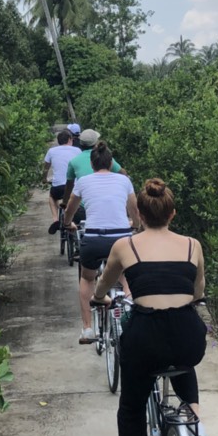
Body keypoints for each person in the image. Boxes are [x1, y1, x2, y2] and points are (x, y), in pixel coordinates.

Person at [92, 178, 208, 436]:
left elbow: (104, 285)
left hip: (145, 337)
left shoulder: (125, 246)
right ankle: (196, 424)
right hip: (187, 335)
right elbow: (198, 292)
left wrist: (100, 299)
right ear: (172, 214)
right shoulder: (192, 245)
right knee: (182, 361)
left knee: (131, 407)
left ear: (139, 215)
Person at [61, 141, 136, 345]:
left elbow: (70, 208)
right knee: (125, 274)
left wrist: (67, 223)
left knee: (87, 278)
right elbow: (134, 209)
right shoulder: (124, 181)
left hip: (93, 239)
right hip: (122, 238)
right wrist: (135, 224)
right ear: (111, 163)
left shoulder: (83, 181)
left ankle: (87, 329)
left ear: (92, 165)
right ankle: (132, 310)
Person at [42, 129, 81, 224]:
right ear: (69, 139)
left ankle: (55, 219)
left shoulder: (51, 151)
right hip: (73, 187)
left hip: (58, 187)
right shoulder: (77, 150)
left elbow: (46, 168)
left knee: (52, 197)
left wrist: (44, 179)